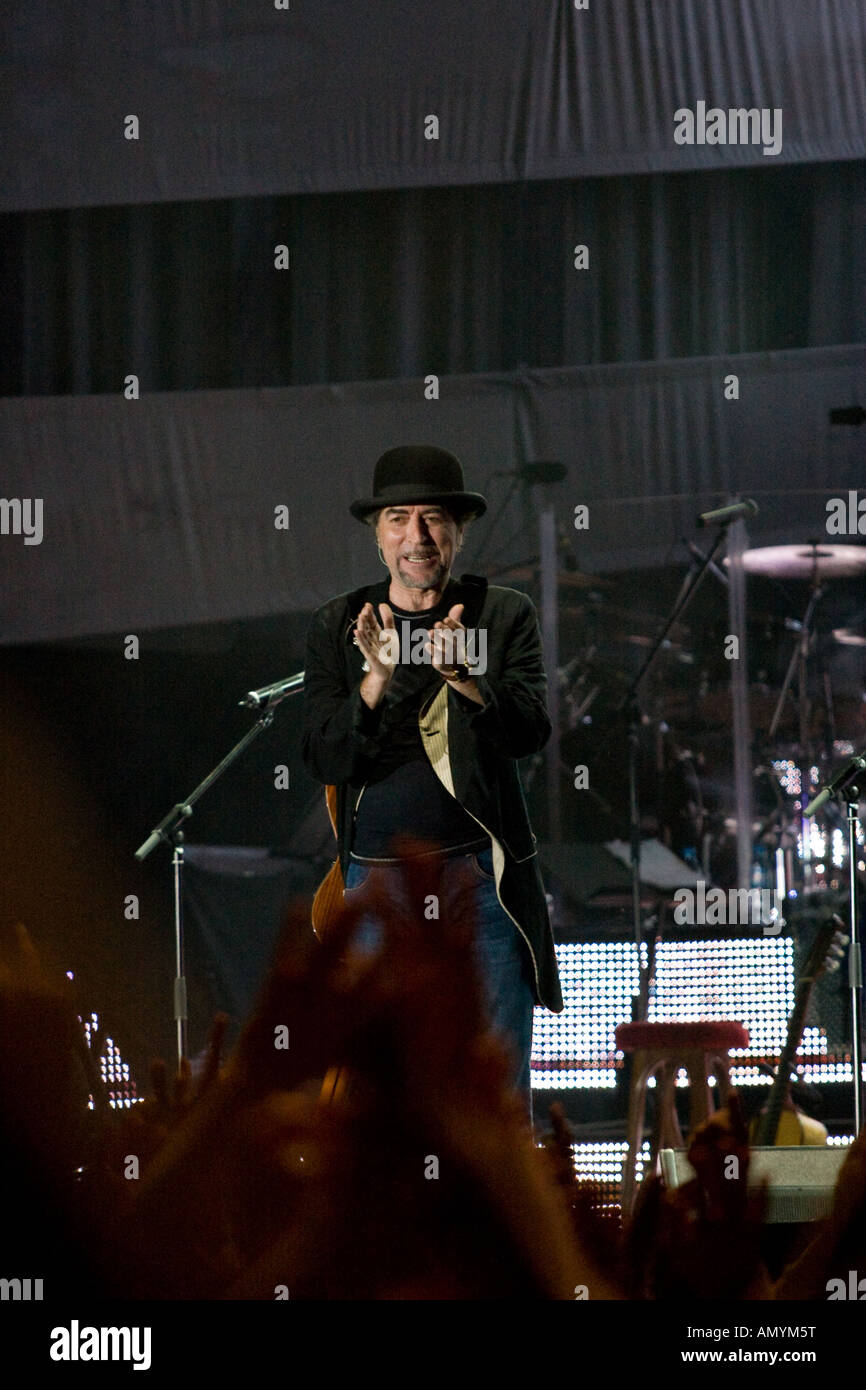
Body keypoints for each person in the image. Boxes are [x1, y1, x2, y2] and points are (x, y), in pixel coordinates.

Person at [301, 445, 563, 1118]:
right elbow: (328, 757)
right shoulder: (340, 623)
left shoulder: (499, 614)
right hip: (374, 890)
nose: (417, 536)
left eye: (433, 518)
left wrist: (465, 682)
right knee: (372, 1096)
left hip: (479, 884)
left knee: (496, 1092)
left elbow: (530, 731)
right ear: (378, 533)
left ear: (459, 531)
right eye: (399, 518)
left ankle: (499, 1220)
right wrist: (377, 677)